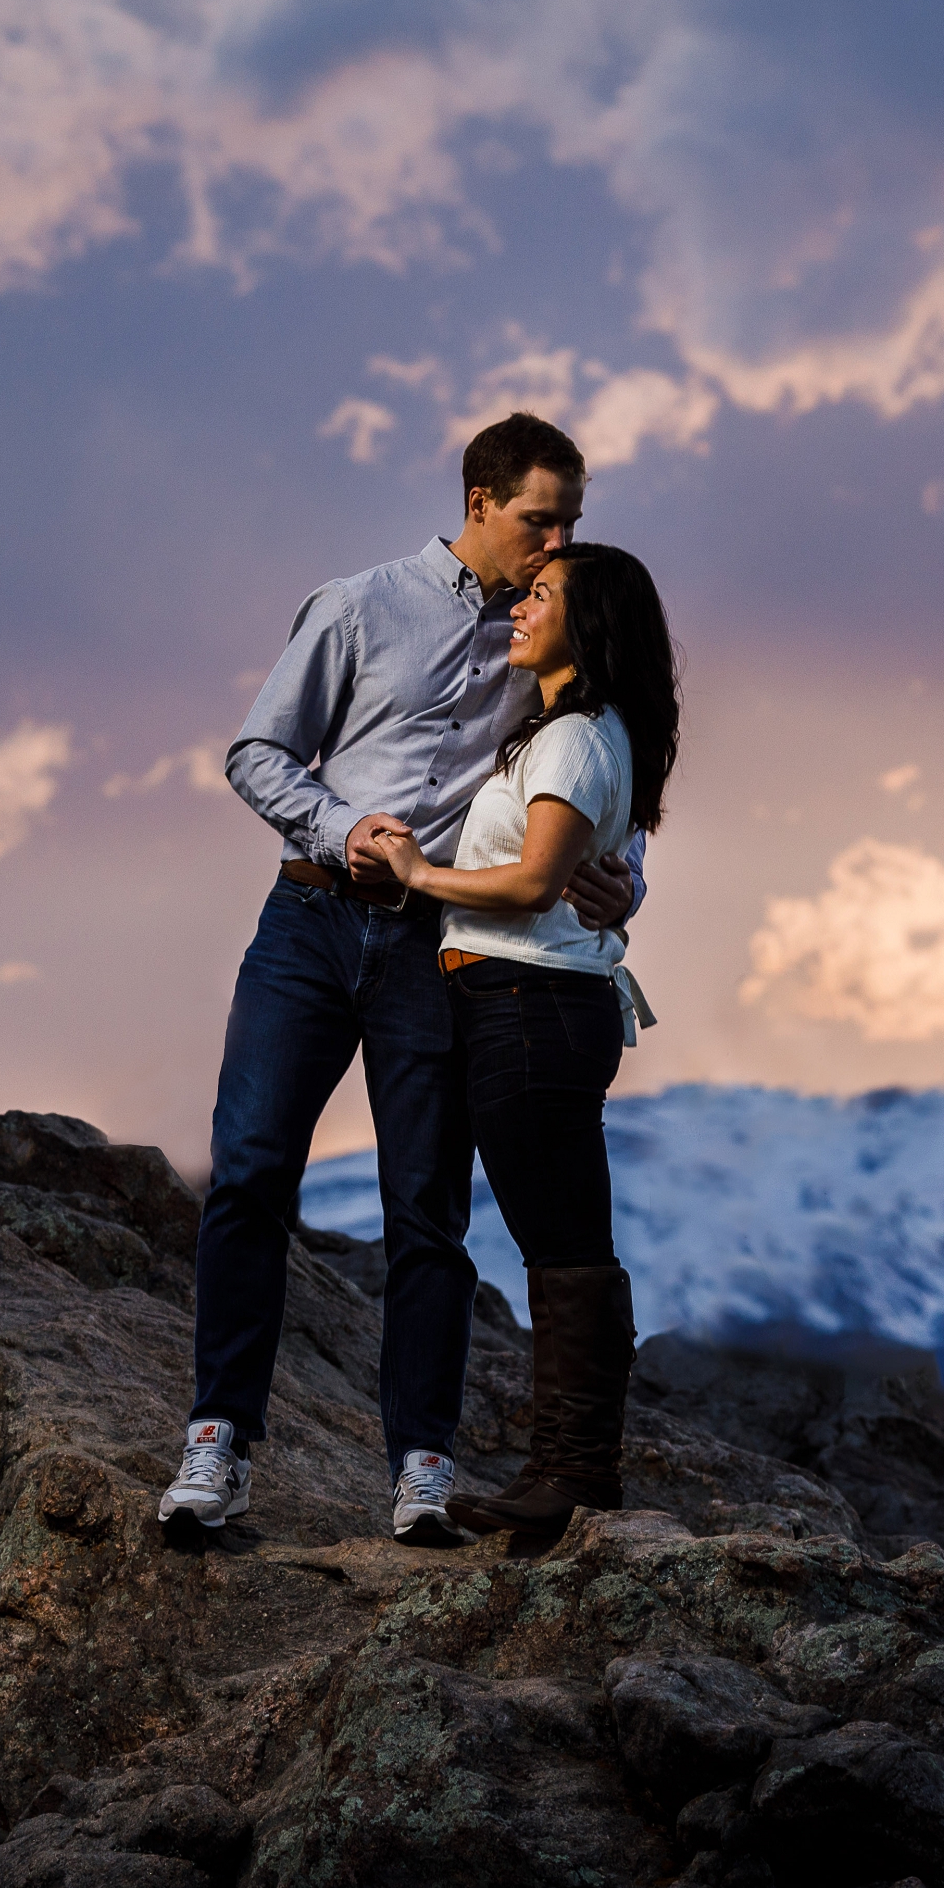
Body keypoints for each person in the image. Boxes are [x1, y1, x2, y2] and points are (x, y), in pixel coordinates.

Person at [166, 414, 638, 1542]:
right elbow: (254, 753)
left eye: (571, 520)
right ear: (480, 500)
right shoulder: (358, 604)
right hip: (312, 922)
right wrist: (342, 826)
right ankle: (216, 1442)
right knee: (248, 1174)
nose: (556, 540)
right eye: (539, 517)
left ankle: (419, 1465)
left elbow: (594, 778)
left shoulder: (545, 635)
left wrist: (625, 886)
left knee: (424, 1208)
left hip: (437, 950)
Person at [358, 539, 676, 1539]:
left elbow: (534, 882)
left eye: (541, 596)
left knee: (566, 1242)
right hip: (520, 1002)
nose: (519, 609)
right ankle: (568, 1466)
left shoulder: (578, 736)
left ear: (587, 625)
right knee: (562, 1239)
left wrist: (418, 875)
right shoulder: (565, 732)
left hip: (531, 1005)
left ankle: (574, 1472)